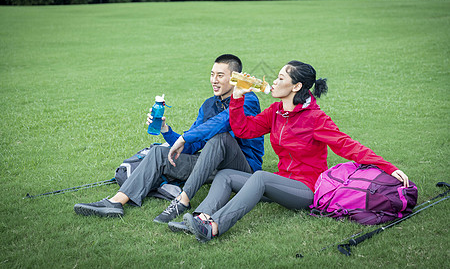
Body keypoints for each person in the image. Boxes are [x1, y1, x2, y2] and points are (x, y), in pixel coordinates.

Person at [172, 60, 410, 242]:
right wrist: (237, 98)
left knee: (261, 177)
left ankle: (214, 227)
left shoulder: (315, 119)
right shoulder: (276, 111)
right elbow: (244, 130)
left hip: (306, 189)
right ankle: (200, 218)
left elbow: (348, 145)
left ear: (296, 86)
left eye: (280, 78)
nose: (274, 82)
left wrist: (388, 167)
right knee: (226, 175)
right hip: (279, 182)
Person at [73, 54, 264, 220]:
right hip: (212, 164)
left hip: (244, 168)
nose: (214, 80)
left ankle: (183, 201)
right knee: (158, 152)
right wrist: (166, 130)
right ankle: (115, 202)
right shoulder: (208, 105)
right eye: (212, 74)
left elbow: (223, 122)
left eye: (220, 76)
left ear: (234, 79)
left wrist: (184, 138)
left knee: (220, 138)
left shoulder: (248, 100)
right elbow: (191, 145)